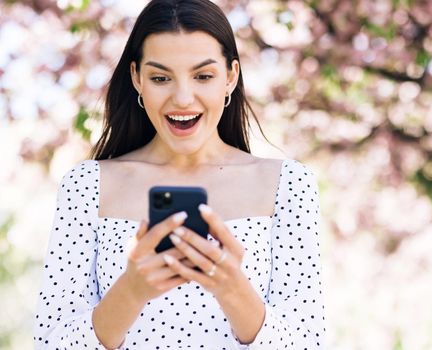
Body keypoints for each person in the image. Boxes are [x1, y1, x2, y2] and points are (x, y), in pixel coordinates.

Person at [33, 0, 325, 348]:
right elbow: (51, 342)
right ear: (136, 78)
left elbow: (309, 343)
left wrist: (232, 289)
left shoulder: (289, 184)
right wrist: (132, 289)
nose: (183, 98)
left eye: (203, 76)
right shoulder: (86, 185)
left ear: (230, 76)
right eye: (160, 78)